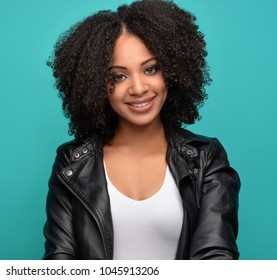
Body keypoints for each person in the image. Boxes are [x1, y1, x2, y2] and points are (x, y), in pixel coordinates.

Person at [43, 0, 240, 260]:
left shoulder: (205, 157)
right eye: (118, 76)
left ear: (172, 71)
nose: (138, 88)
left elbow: (216, 259)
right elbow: (60, 262)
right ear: (95, 85)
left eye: (151, 69)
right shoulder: (72, 163)